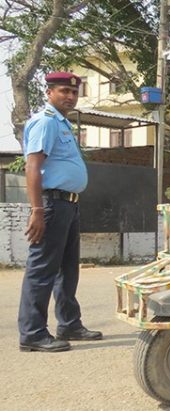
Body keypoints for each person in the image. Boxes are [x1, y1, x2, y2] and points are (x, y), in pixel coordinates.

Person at [18, 72, 102, 352]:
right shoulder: (45, 122)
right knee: (42, 269)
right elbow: (33, 166)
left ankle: (69, 324)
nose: (70, 96)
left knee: (67, 269)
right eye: (64, 91)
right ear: (49, 92)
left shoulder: (62, 123)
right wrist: (37, 210)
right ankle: (32, 333)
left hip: (68, 204)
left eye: (74, 92)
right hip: (52, 204)